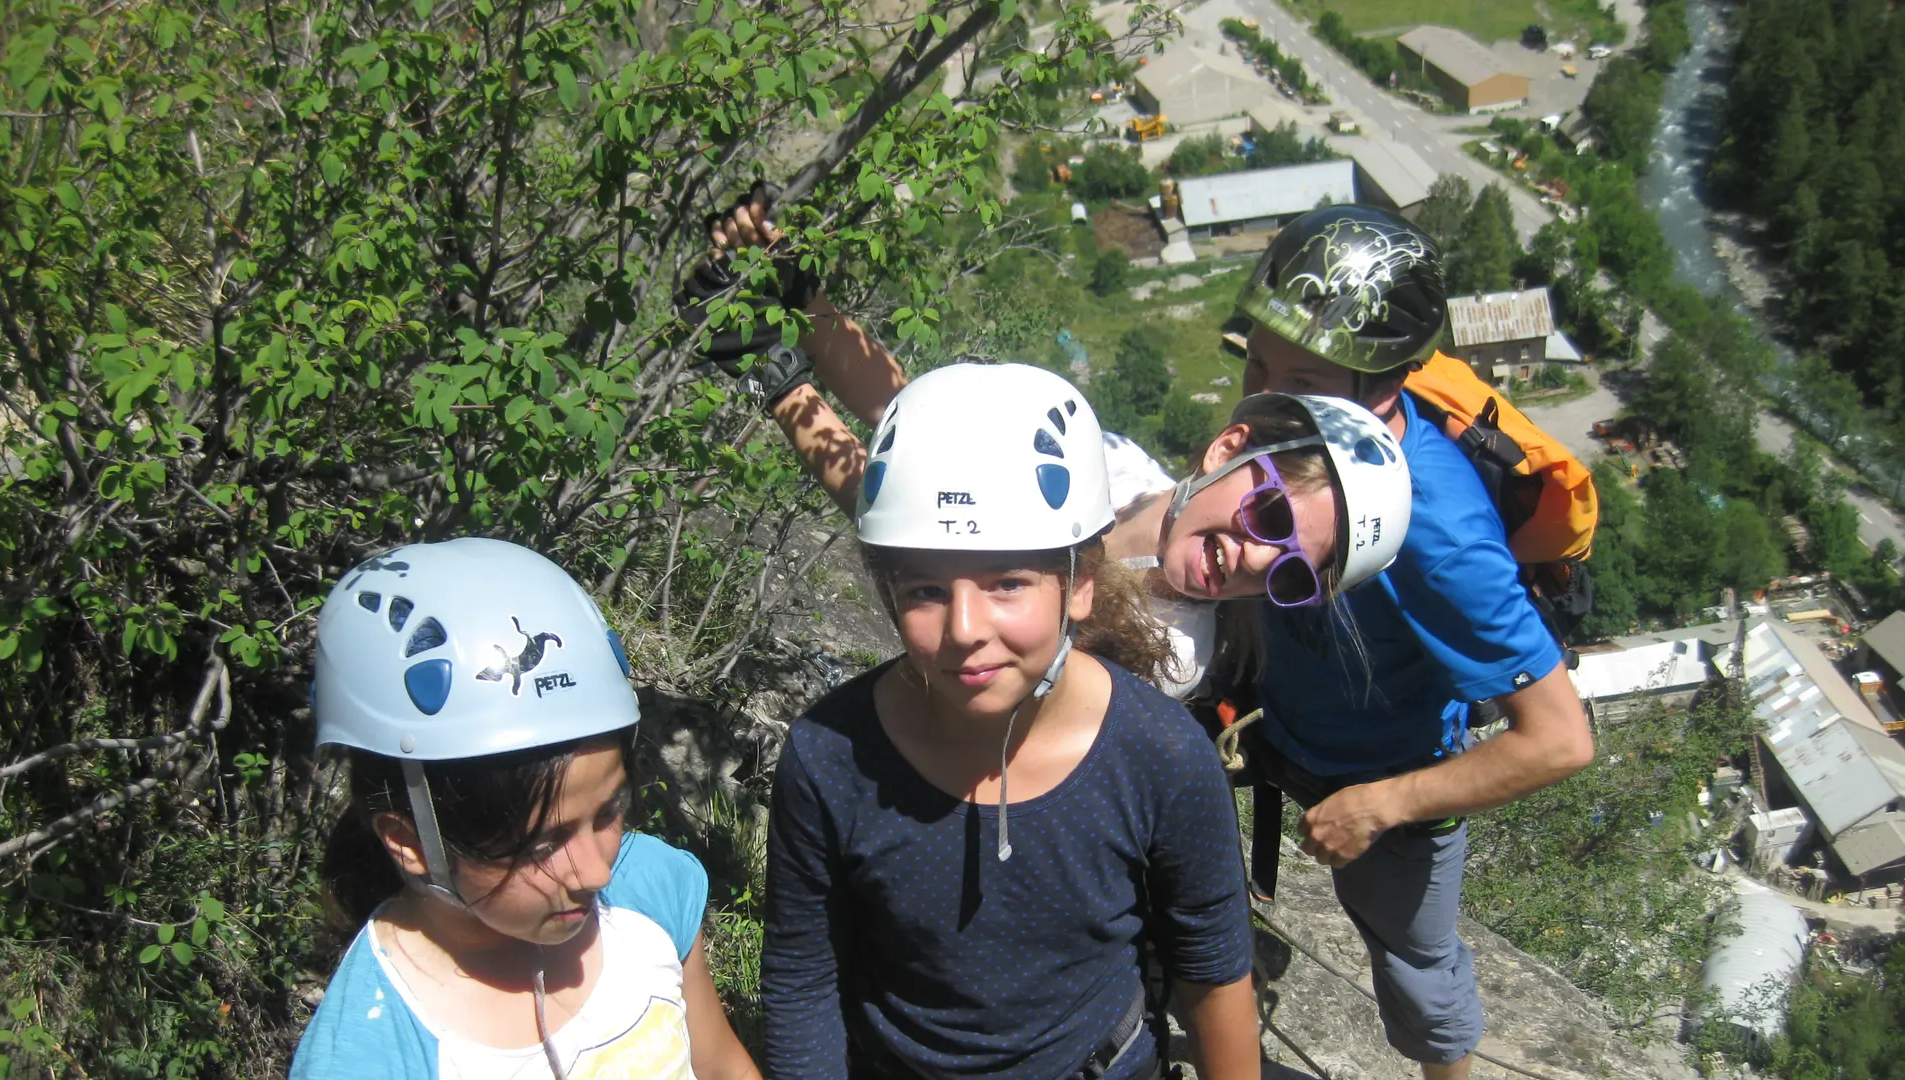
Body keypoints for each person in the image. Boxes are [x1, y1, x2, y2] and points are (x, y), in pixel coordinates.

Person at [675, 197, 1415, 702]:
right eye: (1272, 520)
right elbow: (922, 421)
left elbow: (920, 530)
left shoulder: (1165, 654)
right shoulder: (1116, 462)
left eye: (1290, 576)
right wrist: (795, 297)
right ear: (1229, 449)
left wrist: (778, 380)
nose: (1257, 559)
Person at [761, 364, 1258, 1080]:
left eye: (1006, 584)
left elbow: (1212, 973)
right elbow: (802, 977)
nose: (965, 628)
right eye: (926, 589)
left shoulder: (1159, 755)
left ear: (1080, 584)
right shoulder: (830, 757)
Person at [1230, 204, 1596, 1080]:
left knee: (1417, 971)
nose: (1261, 399)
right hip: (1273, 725)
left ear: (1381, 390)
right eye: (1255, 360)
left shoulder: (1436, 533)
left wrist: (1380, 807)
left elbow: (1559, 740)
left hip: (1384, 785)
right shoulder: (1297, 432)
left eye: (1301, 378)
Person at [291, 538, 761, 1080]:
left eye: (610, 812)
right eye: (542, 844)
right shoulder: (372, 1056)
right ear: (413, 841)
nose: (599, 871)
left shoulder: (649, 888)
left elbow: (722, 1065)